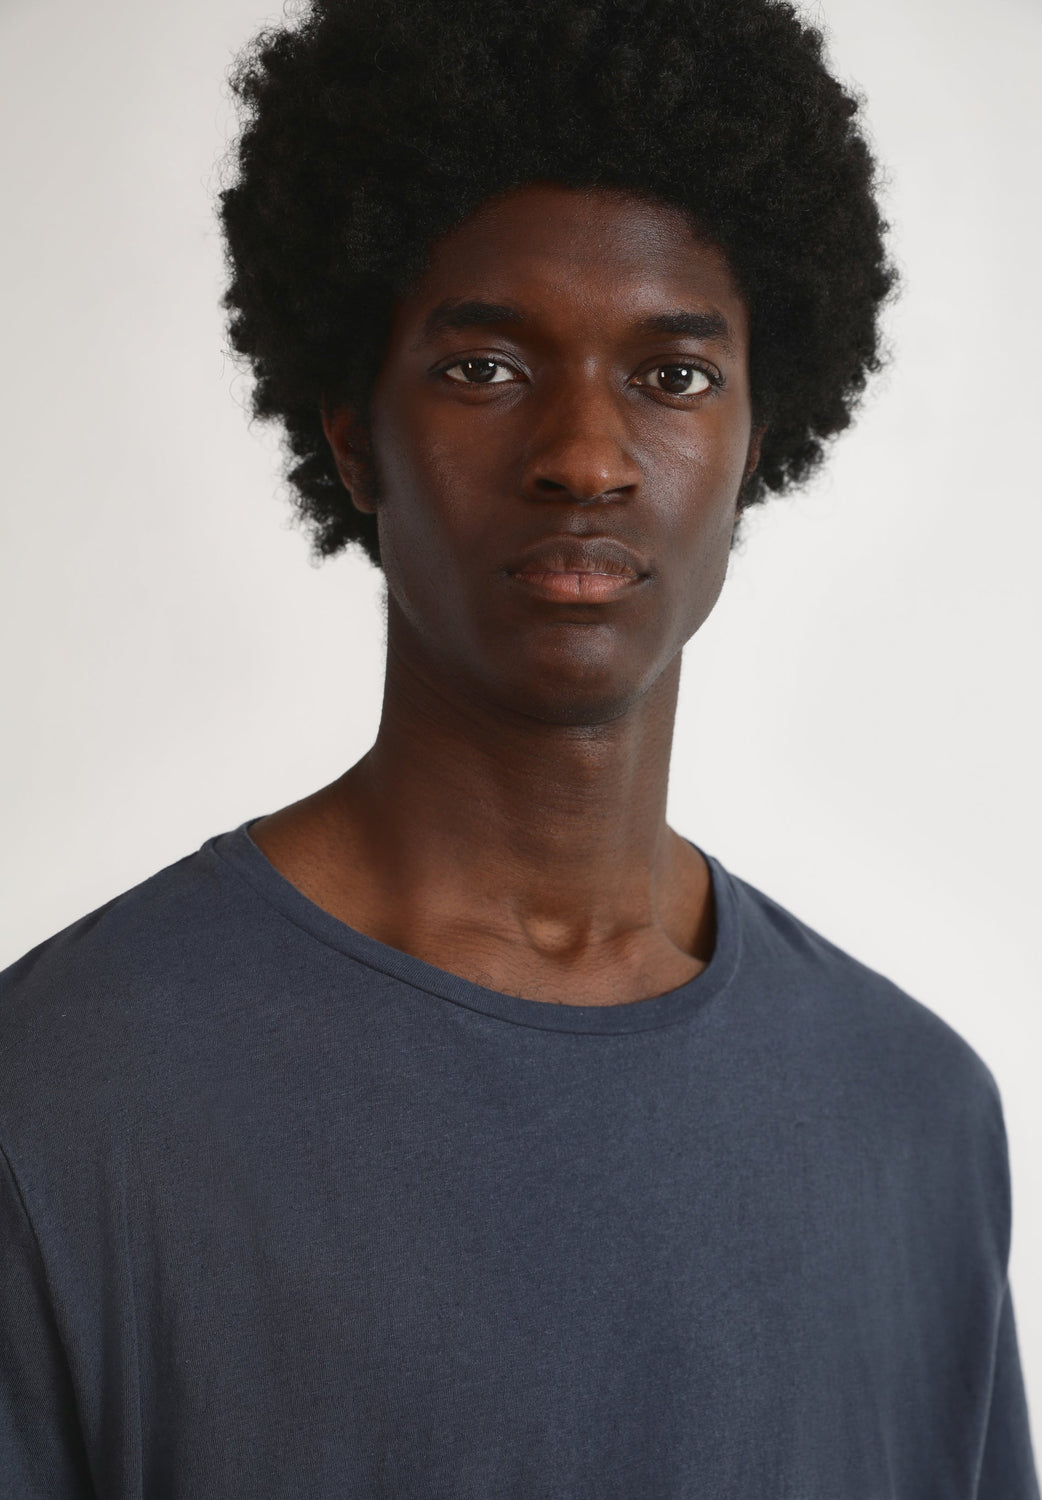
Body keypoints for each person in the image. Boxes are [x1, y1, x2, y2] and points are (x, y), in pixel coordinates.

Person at [1, 0, 1037, 1493]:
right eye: (484, 366)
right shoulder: (65, 1095)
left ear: (759, 440)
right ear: (352, 433)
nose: (584, 457)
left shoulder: (913, 1118)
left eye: (673, 376)